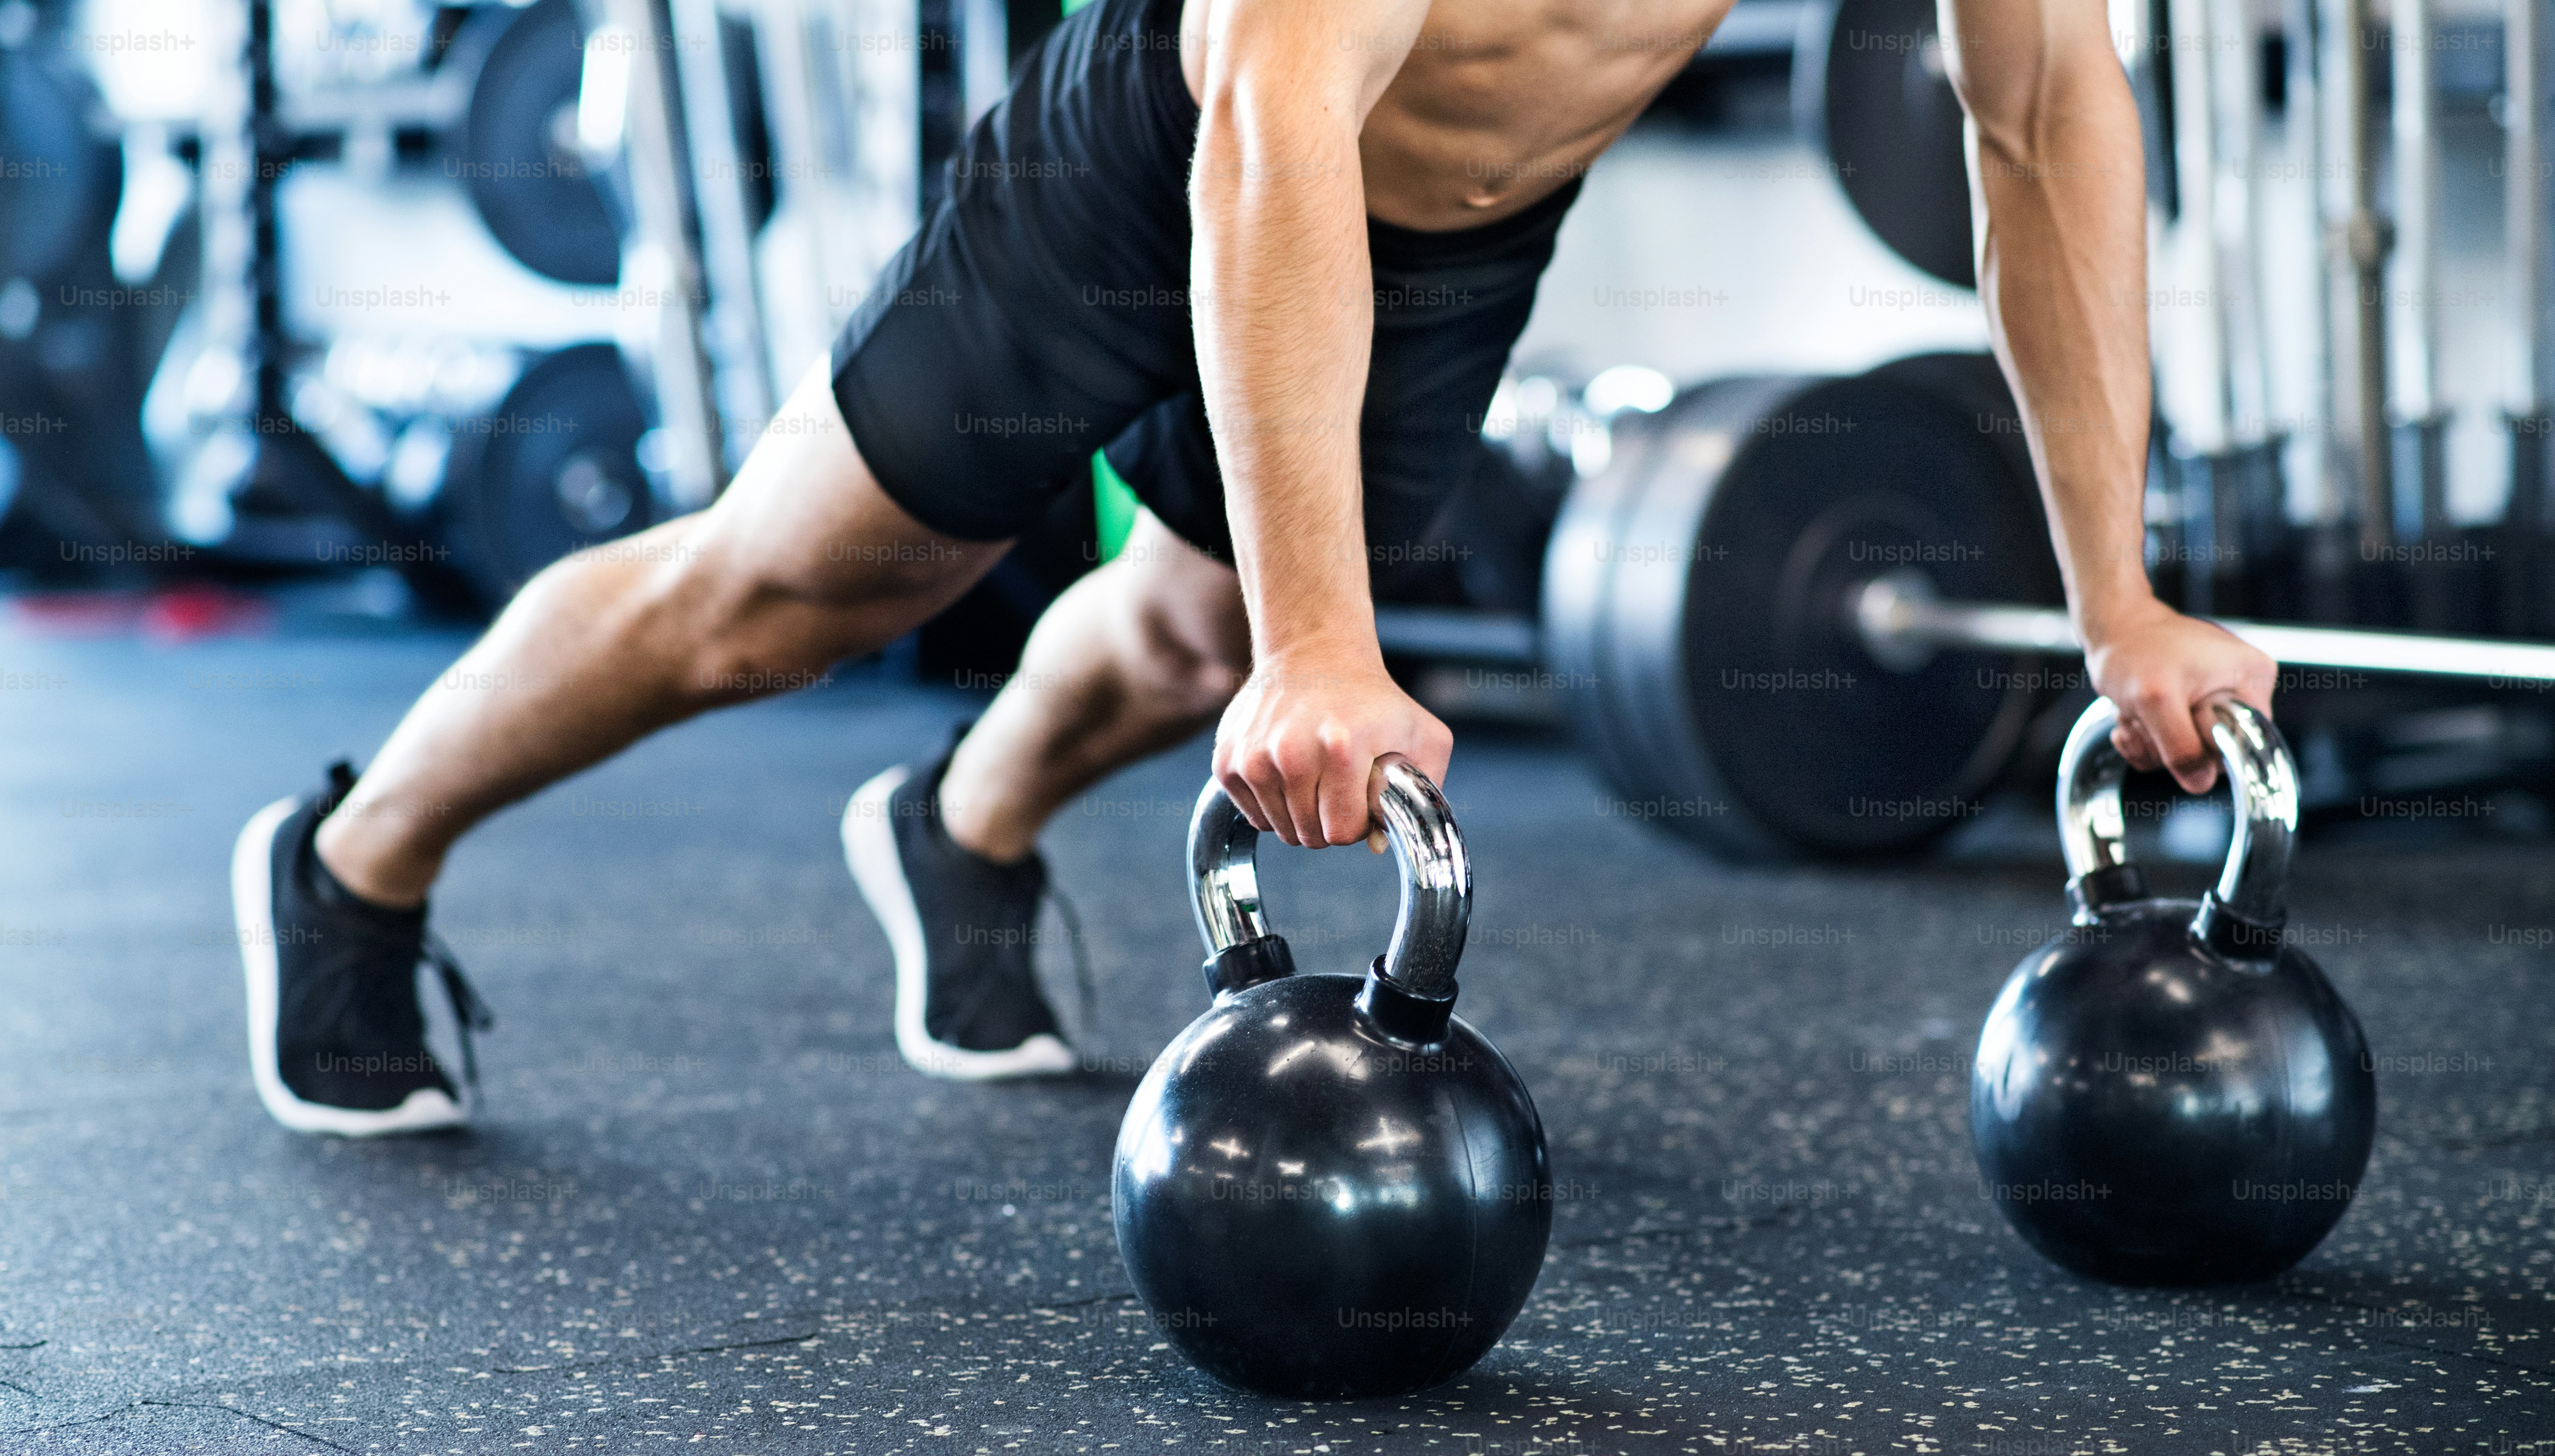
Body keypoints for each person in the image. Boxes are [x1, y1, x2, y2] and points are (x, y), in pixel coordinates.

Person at [232, 0, 2277, 1134]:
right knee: (793, 598)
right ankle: (353, 858)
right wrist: (1326, 642)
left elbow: (2040, 116)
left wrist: (2124, 606)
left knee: (1193, 630)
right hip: (1180, 137)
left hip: (1463, 222)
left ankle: (968, 825)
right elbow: (1272, 112)